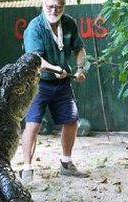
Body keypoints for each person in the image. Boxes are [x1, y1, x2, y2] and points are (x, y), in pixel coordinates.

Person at [20, 0, 89, 183]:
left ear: (64, 5)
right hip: (38, 83)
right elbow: (36, 60)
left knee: (72, 121)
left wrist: (81, 69)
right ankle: (27, 169)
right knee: (33, 125)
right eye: (50, 6)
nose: (54, 10)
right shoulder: (35, 27)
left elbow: (80, 48)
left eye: (58, 6)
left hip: (63, 84)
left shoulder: (69, 23)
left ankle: (66, 163)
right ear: (43, 4)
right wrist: (56, 69)